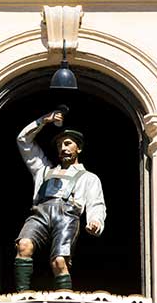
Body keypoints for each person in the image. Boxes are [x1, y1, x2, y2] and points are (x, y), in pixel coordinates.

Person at [14, 110, 106, 292]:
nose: (63, 148)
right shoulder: (43, 170)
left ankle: (65, 297)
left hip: (67, 215)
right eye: (59, 145)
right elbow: (23, 141)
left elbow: (96, 203)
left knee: (59, 261)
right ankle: (22, 293)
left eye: (67, 143)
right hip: (41, 212)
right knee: (23, 245)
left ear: (78, 148)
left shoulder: (88, 177)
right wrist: (43, 120)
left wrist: (95, 221)